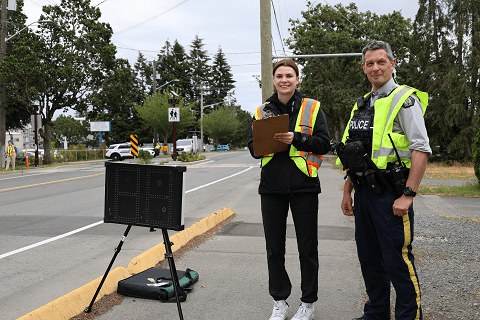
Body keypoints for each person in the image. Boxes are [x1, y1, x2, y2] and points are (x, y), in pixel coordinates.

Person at [336, 40, 431, 320]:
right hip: (364, 194)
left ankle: (408, 317)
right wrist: (347, 193)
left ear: (392, 63)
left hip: (392, 195)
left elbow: (420, 148)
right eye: (370, 63)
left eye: (381, 61)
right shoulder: (362, 105)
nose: (375, 67)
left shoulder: (405, 99)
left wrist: (409, 194)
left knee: (397, 261)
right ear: (363, 68)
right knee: (369, 259)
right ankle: (376, 314)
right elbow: (352, 154)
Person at [247, 59, 330, 320]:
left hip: (304, 185)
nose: (284, 80)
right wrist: (266, 141)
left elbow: (324, 144)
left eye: (289, 75)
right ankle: (280, 301)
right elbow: (252, 149)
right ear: (273, 80)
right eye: (280, 76)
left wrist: (297, 138)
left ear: (297, 79)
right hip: (271, 188)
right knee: (274, 248)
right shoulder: (262, 111)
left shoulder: (313, 107)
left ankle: (308, 303)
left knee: (307, 248)